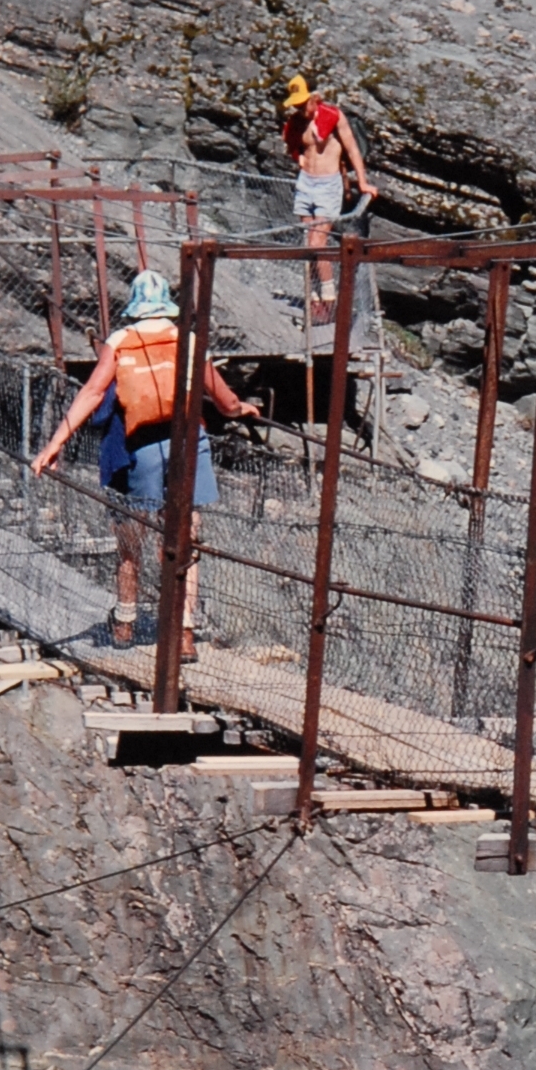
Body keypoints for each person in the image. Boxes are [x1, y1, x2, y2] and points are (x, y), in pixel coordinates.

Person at [31, 270, 257, 654]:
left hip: (144, 447)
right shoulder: (186, 340)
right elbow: (225, 400)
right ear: (167, 302)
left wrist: (55, 443)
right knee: (187, 535)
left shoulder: (120, 341)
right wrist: (240, 410)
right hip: (190, 442)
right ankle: (184, 633)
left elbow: (92, 392)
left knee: (132, 537)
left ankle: (125, 621)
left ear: (134, 306)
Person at [280, 74, 375, 314]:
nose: (300, 109)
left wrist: (362, 182)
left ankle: (330, 298)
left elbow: (352, 148)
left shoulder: (333, 116)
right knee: (307, 242)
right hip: (306, 183)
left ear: (315, 98)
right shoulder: (295, 123)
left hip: (328, 185)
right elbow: (293, 147)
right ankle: (314, 298)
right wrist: (299, 158)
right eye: (296, 105)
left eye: (304, 103)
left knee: (317, 242)